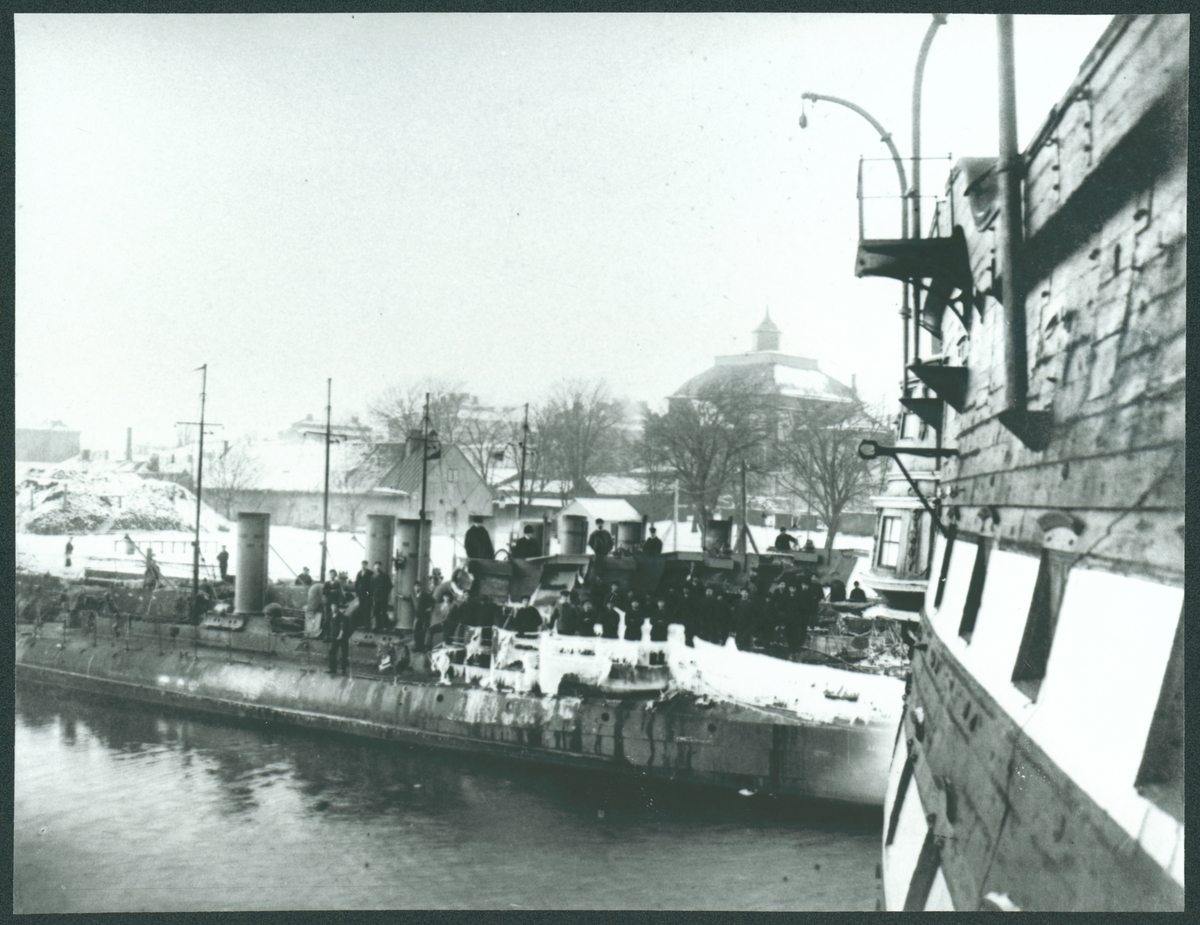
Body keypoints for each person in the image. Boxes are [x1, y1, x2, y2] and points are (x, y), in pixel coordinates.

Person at [327, 593, 353, 676]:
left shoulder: (342, 616)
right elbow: (327, 625)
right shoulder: (330, 615)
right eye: (332, 606)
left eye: (335, 607)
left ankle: (343, 670)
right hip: (334, 637)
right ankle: (332, 668)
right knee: (332, 652)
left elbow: (343, 626)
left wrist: (340, 635)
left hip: (342, 637)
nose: (334, 608)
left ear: (337, 608)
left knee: (344, 653)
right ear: (331, 607)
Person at [413, 578, 435, 652]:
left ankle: (422, 647)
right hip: (417, 616)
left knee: (423, 632)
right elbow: (409, 597)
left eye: (418, 586)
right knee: (416, 632)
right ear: (414, 587)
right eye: (416, 586)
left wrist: (430, 608)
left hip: (424, 617)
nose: (417, 587)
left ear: (421, 587)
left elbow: (433, 601)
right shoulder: (414, 595)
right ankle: (417, 646)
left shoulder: (425, 594)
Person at [370, 561, 392, 631]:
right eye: (376, 566)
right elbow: (370, 588)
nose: (377, 567)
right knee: (376, 612)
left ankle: (385, 626)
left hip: (383, 597)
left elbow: (390, 586)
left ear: (380, 567)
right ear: (374, 567)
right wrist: (371, 595)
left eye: (379, 566)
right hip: (376, 597)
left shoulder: (385, 576)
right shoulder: (372, 577)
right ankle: (377, 626)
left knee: (383, 612)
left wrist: (386, 594)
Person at [322, 569, 344, 640]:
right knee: (327, 619)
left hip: (335, 602)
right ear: (329, 575)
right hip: (328, 603)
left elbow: (339, 592)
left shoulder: (338, 583)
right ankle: (326, 635)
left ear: (335, 575)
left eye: (333, 574)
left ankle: (334, 635)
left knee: (335, 619)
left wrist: (333, 592)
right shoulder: (327, 583)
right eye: (331, 574)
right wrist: (331, 591)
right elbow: (324, 591)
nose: (332, 576)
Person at [354, 561, 373, 629]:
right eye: (362, 565)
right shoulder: (359, 573)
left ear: (367, 565)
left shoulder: (370, 573)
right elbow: (356, 583)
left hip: (368, 594)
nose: (363, 566)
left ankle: (367, 624)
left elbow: (372, 584)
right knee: (361, 608)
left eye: (365, 565)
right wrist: (357, 592)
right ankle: (361, 623)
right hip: (361, 594)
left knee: (367, 609)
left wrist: (369, 593)